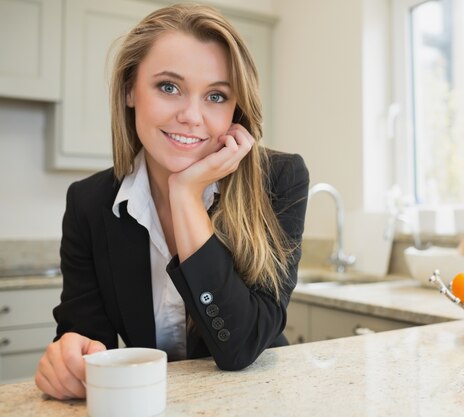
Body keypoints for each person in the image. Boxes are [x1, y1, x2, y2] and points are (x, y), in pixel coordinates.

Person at [35, 3, 309, 400]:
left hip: (255, 400)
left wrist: (185, 196)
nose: (192, 116)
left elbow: (241, 346)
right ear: (130, 89)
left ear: (237, 110)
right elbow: (87, 336)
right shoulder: (89, 202)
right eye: (169, 87)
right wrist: (70, 358)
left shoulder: (279, 181)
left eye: (216, 95)